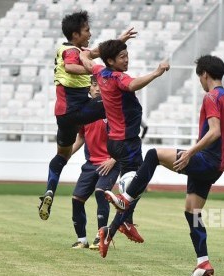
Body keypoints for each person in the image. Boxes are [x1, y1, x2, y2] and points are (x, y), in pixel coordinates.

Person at [104, 55, 224, 275]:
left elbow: (215, 132)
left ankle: (126, 199)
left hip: (204, 160)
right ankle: (203, 263)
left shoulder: (212, 97)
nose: (200, 82)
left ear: (204, 74)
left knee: (153, 154)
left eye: (199, 78)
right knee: (192, 212)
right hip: (213, 168)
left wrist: (190, 153)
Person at [38, 11, 136, 220]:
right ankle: (126, 161)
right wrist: (97, 71)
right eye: (87, 30)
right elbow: (72, 66)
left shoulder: (71, 49)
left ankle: (49, 191)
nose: (90, 34)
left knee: (62, 156)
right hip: (79, 109)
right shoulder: (72, 51)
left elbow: (95, 52)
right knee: (116, 101)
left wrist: (120, 40)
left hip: (63, 115)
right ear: (75, 34)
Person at [80, 39, 170, 258]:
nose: (126, 58)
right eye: (122, 56)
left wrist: (115, 43)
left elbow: (85, 58)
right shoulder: (118, 77)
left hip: (116, 140)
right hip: (126, 141)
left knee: (140, 179)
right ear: (111, 60)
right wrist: (157, 72)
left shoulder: (100, 71)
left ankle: (119, 225)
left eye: (126, 54)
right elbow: (133, 84)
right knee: (136, 182)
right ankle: (122, 209)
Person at [69, 76, 140, 249]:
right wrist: (65, 155)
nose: (98, 88)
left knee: (101, 192)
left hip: (110, 163)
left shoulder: (111, 112)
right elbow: (81, 137)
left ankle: (99, 236)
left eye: (100, 85)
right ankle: (82, 240)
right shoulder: (85, 113)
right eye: (94, 85)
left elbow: (123, 138)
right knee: (76, 199)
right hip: (90, 164)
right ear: (89, 89)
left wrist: (113, 159)